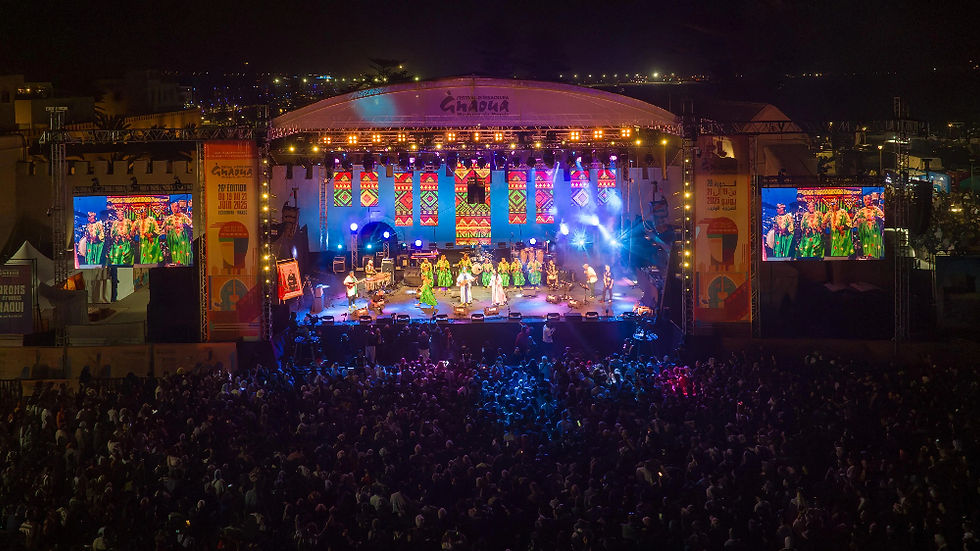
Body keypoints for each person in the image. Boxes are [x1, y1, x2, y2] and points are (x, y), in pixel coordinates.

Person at [854, 193, 884, 258]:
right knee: (866, 246)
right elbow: (855, 219)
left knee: (875, 246)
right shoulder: (861, 210)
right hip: (865, 232)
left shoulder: (876, 209)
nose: (867, 201)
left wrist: (875, 218)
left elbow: (882, 217)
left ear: (871, 200)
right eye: (865, 200)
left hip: (875, 232)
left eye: (869, 199)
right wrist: (859, 220)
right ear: (864, 201)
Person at [163, 201, 192, 265]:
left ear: (178, 207)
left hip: (183, 240)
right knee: (175, 255)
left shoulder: (184, 217)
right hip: (174, 241)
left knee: (184, 256)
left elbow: (190, 225)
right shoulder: (169, 218)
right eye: (172, 207)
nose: (174, 209)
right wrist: (167, 228)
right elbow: (163, 228)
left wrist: (183, 225)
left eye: (175, 206)